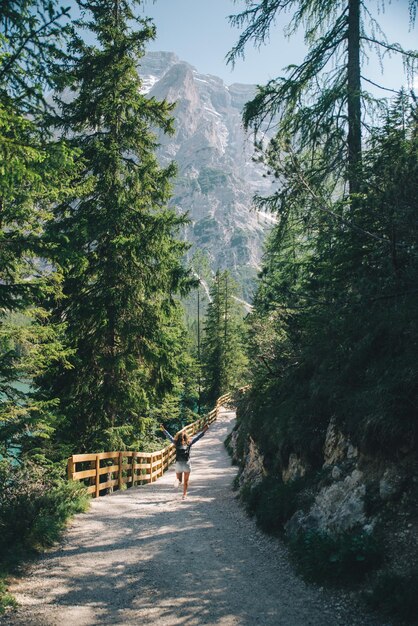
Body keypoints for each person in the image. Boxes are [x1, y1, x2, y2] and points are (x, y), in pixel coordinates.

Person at [160, 424, 209, 499]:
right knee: (186, 481)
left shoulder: (176, 443)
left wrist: (163, 430)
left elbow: (169, 437)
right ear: (186, 437)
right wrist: (205, 430)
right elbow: (197, 437)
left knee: (179, 480)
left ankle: (178, 481)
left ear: (178, 437)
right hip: (187, 464)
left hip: (179, 464)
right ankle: (184, 495)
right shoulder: (189, 443)